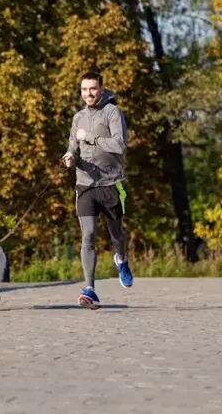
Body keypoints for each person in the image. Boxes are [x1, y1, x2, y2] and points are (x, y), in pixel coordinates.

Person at [62, 71, 134, 309]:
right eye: (84, 90)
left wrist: (90, 138)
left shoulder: (112, 112)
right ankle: (90, 289)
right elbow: (73, 146)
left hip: (111, 184)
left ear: (101, 90)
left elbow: (119, 145)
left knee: (116, 235)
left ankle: (121, 259)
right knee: (89, 235)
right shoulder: (78, 117)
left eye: (92, 89)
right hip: (85, 185)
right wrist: (70, 157)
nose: (88, 94)